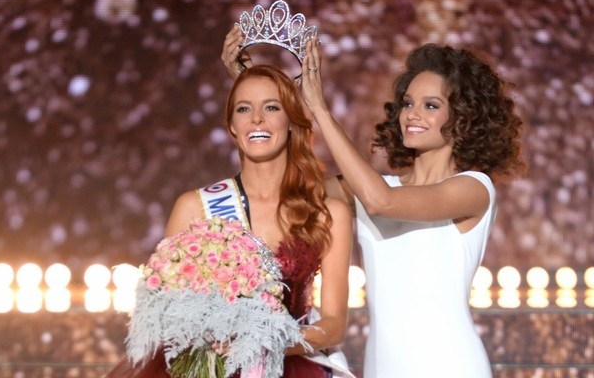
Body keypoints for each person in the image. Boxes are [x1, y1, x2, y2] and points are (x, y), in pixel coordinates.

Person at [222, 28, 525, 377]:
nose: (412, 114)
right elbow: (288, 182)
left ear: (464, 118)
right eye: (408, 103)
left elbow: (382, 202)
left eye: (431, 106)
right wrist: (255, 92)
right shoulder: (375, 188)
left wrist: (318, 106)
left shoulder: (474, 188)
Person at [106, 65, 353, 377]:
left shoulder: (328, 214)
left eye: (272, 107)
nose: (257, 119)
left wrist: (263, 341)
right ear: (232, 126)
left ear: (291, 121)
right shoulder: (194, 207)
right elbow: (163, 312)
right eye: (244, 108)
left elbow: (332, 326)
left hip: (288, 361)